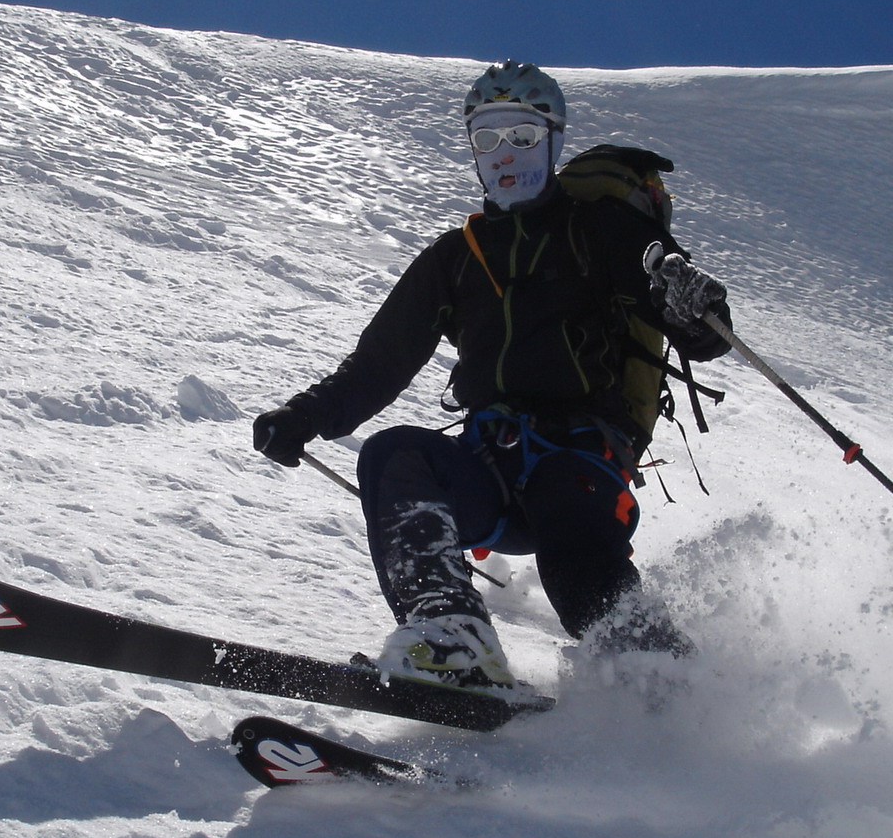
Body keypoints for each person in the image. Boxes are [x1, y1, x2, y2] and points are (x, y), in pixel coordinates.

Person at [252, 62, 732, 687]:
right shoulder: (455, 259)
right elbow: (381, 362)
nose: (505, 156)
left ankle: (671, 687)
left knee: (579, 581)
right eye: (487, 140)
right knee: (394, 455)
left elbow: (697, 329)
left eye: (523, 138)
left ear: (554, 142)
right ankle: (453, 636)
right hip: (491, 467)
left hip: (581, 461)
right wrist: (305, 415)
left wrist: (694, 308)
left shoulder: (601, 231)